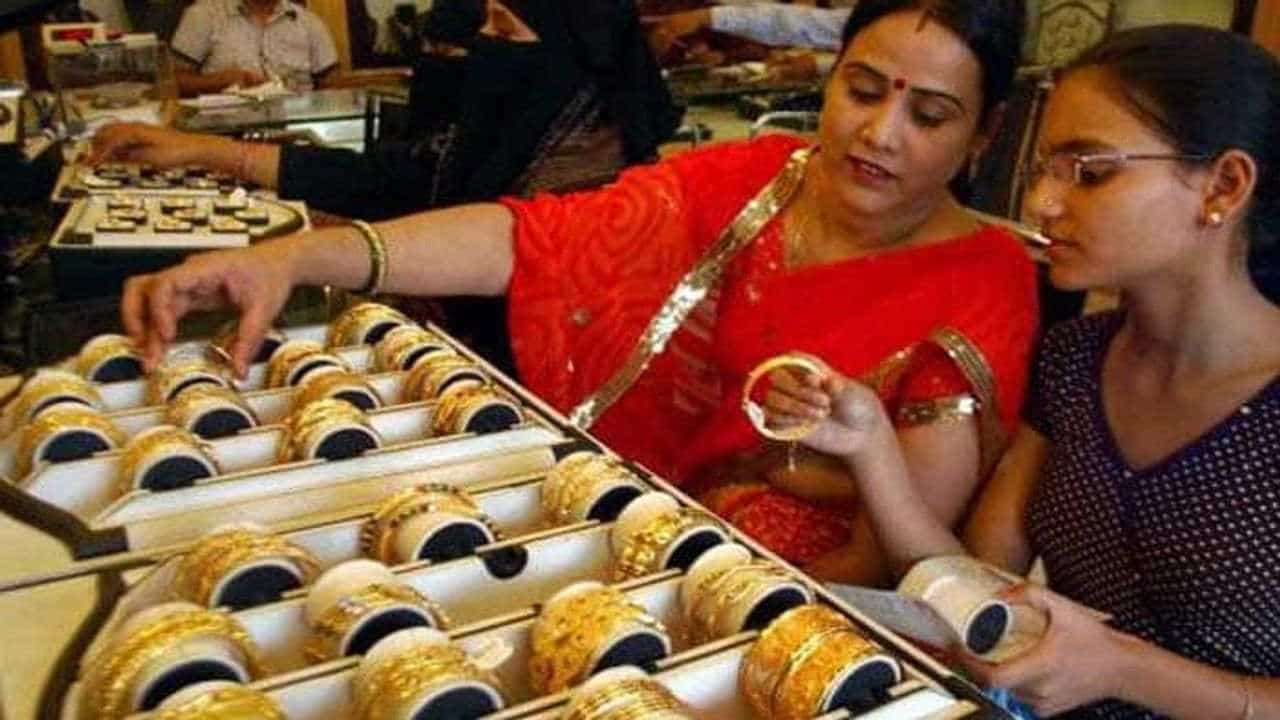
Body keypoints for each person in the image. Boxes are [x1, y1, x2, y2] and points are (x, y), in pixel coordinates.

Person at [116, 0, 1038, 585]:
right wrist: (295, 259)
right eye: (863, 91)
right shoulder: (760, 177)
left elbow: (892, 554)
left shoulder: (981, 278)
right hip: (635, 526)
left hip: (790, 605)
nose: (880, 133)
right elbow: (536, 238)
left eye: (928, 115)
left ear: (985, 135)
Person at [763, 24, 1280, 719]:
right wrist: (870, 446)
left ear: (1224, 184)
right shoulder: (1075, 361)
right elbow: (977, 588)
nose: (1042, 205)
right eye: (1044, 169)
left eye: (1090, 172)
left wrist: (1126, 668)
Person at [169, 0, 339, 95]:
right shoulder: (203, 15)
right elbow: (171, 83)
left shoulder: (309, 22)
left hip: (297, 128)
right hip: (225, 133)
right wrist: (220, 81)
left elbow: (332, 84)